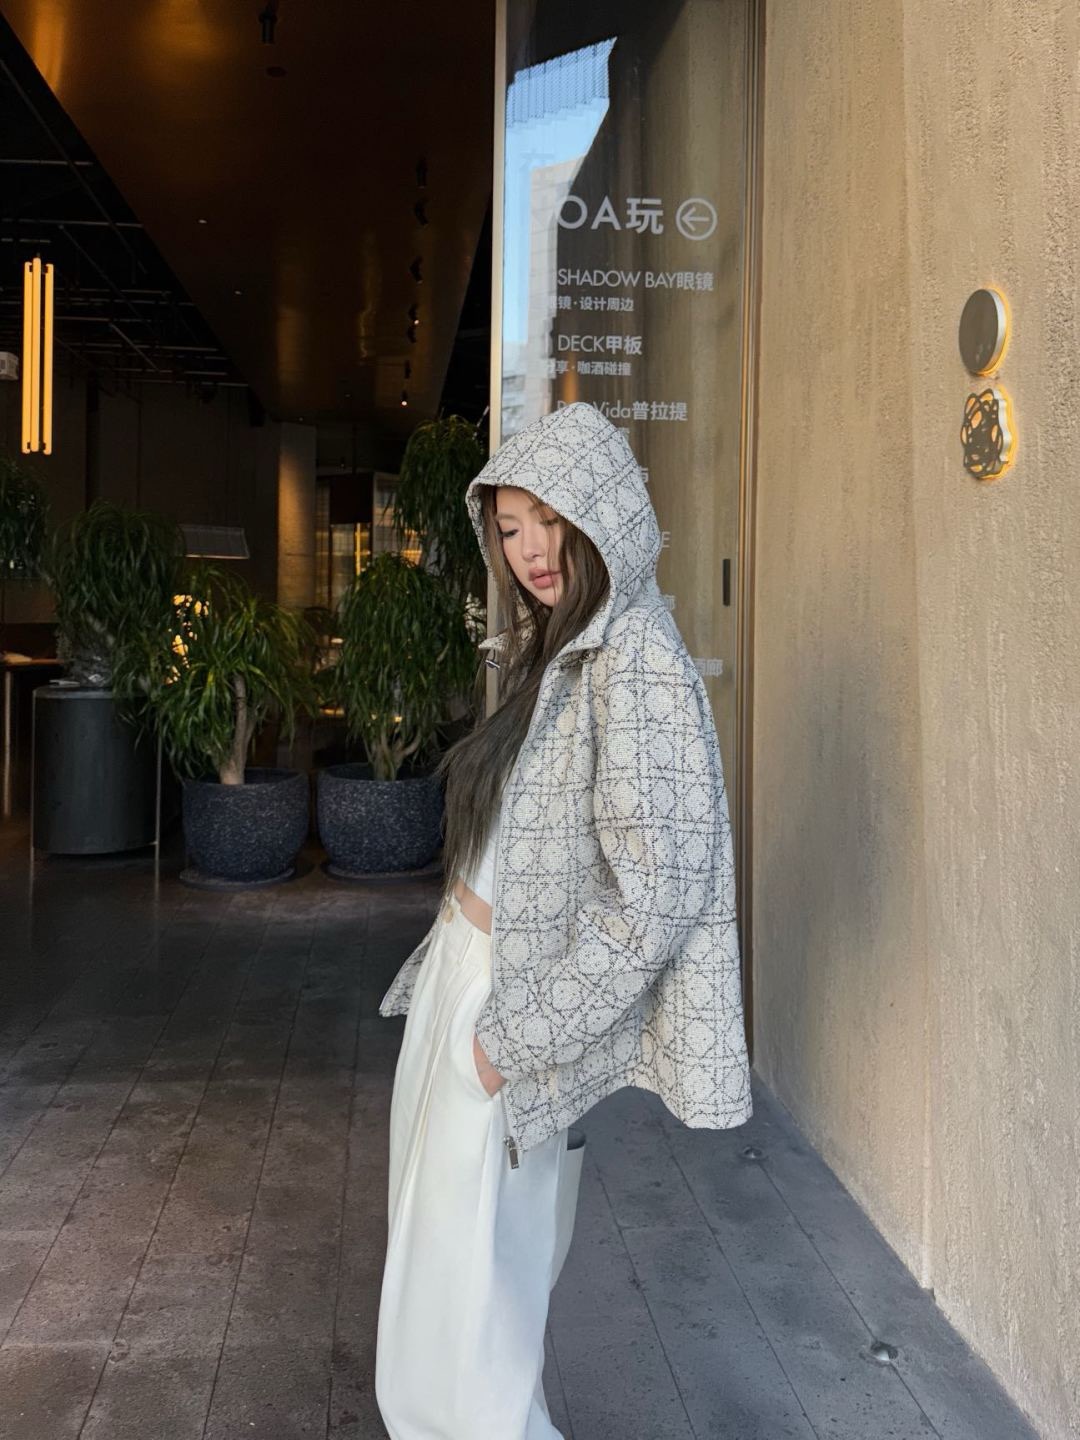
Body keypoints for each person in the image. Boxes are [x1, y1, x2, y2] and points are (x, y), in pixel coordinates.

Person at [374, 400, 753, 1439]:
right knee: (439, 1307)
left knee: (469, 1337)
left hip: (509, 1005)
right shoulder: (560, 644)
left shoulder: (636, 660)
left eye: (551, 517)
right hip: (466, 979)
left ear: (604, 510)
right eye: (509, 526)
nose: (531, 548)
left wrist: (507, 1040)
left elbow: (657, 897)